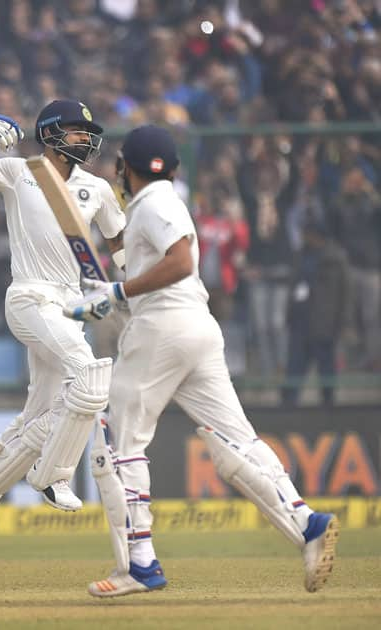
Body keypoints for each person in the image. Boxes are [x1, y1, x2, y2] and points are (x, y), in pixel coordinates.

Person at [64, 124, 340, 597]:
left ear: (127, 167)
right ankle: (306, 523)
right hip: (196, 329)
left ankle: (140, 564)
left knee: (116, 442)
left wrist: (116, 292)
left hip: (162, 329)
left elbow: (180, 261)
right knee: (234, 442)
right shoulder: (155, 205)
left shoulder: (155, 203)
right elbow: (138, 261)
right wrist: (112, 281)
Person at [0, 99, 126, 544]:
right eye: (77, 132)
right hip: (28, 296)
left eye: (88, 132)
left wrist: (131, 287)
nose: (86, 139)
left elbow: (120, 246)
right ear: (52, 134)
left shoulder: (97, 188)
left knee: (39, 415)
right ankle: (53, 474)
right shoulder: (19, 170)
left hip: (68, 308)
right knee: (91, 376)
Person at [281, 219, 351, 406]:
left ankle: (329, 409)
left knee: (326, 371)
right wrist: (289, 315)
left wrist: (343, 324)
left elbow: (345, 294)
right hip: (300, 322)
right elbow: (293, 286)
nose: (304, 237)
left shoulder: (335, 258)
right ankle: (287, 408)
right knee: (294, 370)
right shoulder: (300, 255)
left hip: (324, 324)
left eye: (307, 233)